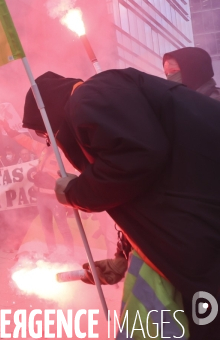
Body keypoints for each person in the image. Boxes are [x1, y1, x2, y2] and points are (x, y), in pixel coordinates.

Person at [23, 69, 220, 339]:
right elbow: (144, 191)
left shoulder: (87, 97)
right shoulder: (102, 95)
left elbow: (138, 156)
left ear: (50, 113)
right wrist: (122, 258)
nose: (50, 143)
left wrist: (76, 192)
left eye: (44, 134)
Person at [2, 121, 74, 258]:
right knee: (47, 227)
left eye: (50, 137)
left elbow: (70, 175)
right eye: (47, 137)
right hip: (41, 196)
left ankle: (70, 252)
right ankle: (52, 252)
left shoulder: (63, 154)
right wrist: (9, 130)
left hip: (55, 198)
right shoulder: (42, 149)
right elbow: (25, 140)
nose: (47, 140)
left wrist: (50, 177)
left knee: (63, 227)